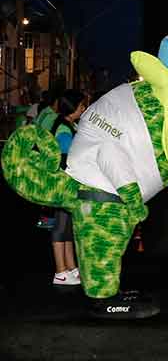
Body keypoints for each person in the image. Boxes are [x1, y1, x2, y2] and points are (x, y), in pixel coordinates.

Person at [49, 90, 87, 286]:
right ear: (72, 108)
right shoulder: (64, 130)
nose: (83, 108)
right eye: (81, 105)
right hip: (63, 183)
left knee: (68, 227)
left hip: (69, 183)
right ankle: (60, 271)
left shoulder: (71, 125)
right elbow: (65, 159)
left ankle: (71, 268)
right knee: (60, 226)